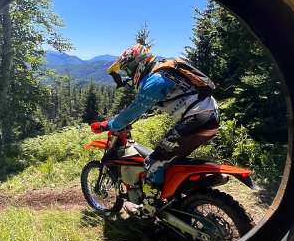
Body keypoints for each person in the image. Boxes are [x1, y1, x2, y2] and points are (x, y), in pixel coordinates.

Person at [91, 44, 220, 219]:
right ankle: (173, 199)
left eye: (129, 69)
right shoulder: (161, 71)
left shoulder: (154, 81)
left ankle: (147, 210)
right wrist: (123, 81)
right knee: (169, 161)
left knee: (154, 162)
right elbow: (139, 82)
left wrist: (107, 125)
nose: (129, 73)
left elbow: (130, 114)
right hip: (207, 116)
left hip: (196, 120)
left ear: (139, 64)